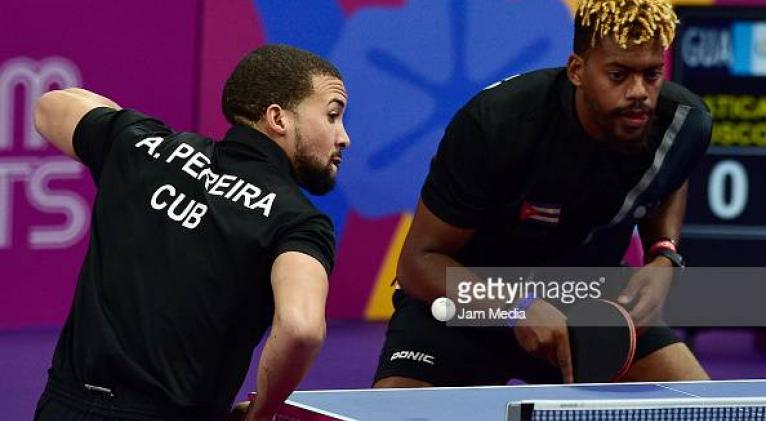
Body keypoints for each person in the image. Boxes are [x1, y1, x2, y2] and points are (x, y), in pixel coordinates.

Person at [373, 0, 711, 388]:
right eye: (618, 74)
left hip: (587, 301)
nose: (640, 93)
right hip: (463, 307)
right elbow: (418, 263)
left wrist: (663, 253)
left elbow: (672, 172)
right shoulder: (496, 125)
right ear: (577, 70)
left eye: (651, 75)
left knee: (708, 403)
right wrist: (514, 308)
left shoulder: (682, 123)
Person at [32, 44, 350, 421]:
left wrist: (131, 130)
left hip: (65, 406)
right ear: (277, 119)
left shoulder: (142, 147)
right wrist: (263, 412)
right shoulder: (297, 220)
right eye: (332, 116)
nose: (342, 137)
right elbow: (301, 328)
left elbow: (49, 107)